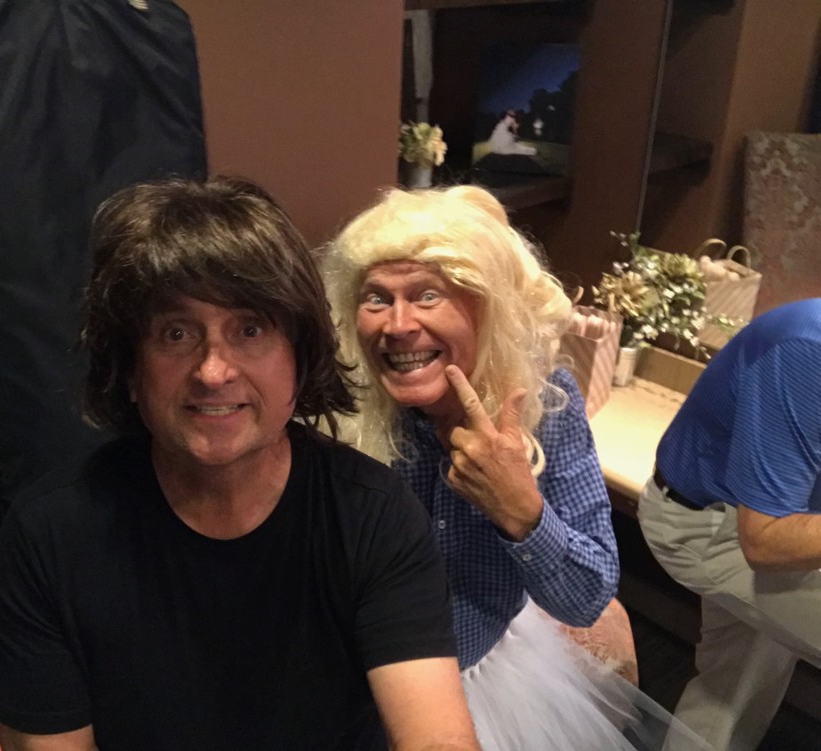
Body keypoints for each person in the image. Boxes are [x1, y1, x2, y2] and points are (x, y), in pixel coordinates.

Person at [0, 176, 480, 751]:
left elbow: (438, 738)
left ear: (300, 356)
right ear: (130, 369)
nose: (213, 371)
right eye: (176, 333)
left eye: (250, 329)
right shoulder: (49, 536)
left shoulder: (374, 514)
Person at [324, 184, 709, 749]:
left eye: (427, 295)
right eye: (376, 299)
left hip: (487, 680)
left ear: (486, 308)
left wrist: (521, 512)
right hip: (355, 688)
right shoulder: (340, 408)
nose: (398, 324)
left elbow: (587, 599)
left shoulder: (547, 407)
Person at [637, 298, 821, 751]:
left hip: (774, 519)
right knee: (739, 680)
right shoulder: (807, 348)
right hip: (709, 523)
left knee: (734, 689)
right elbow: (765, 541)